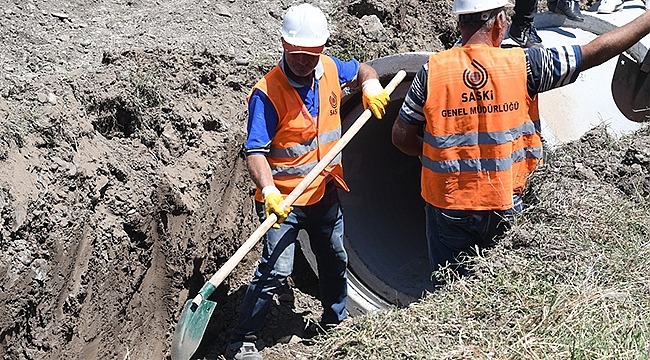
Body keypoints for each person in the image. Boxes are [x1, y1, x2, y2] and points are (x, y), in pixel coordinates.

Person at [391, 0, 650, 281]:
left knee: (449, 287)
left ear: (460, 23)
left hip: (449, 203)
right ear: (500, 22)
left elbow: (401, 136)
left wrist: (435, 155)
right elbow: (595, 51)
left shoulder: (432, 72)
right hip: (506, 200)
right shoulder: (524, 65)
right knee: (505, 282)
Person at [225, 3, 389, 360]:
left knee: (334, 257)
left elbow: (363, 68)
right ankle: (242, 340)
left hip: (325, 192)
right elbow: (255, 151)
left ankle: (335, 321)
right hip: (283, 201)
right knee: (277, 269)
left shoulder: (329, 67)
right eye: (296, 53)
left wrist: (371, 83)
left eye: (311, 53)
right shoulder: (268, 93)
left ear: (323, 47)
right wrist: (268, 190)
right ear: (283, 45)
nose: (303, 61)